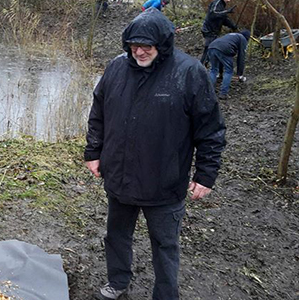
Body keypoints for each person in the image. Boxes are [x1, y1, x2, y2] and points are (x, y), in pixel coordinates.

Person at [84, 8, 226, 300]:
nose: (139, 52)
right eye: (134, 46)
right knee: (117, 236)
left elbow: (210, 129)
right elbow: (98, 113)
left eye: (146, 46)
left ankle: (165, 295)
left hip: (165, 181)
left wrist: (206, 175)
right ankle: (118, 281)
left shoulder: (189, 73)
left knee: (165, 244)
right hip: (120, 177)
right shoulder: (116, 68)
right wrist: (94, 152)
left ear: (162, 45)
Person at [208, 30, 250, 99]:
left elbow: (220, 59)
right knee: (229, 71)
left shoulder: (231, 35)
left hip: (211, 46)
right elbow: (241, 57)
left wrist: (220, 73)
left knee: (213, 70)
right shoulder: (243, 39)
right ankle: (223, 93)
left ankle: (209, 91)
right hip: (224, 48)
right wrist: (240, 74)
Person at [200, 0, 237, 65]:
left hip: (214, 31)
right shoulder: (217, 3)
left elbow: (224, 19)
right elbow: (213, 14)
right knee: (209, 49)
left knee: (211, 49)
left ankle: (204, 66)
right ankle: (200, 67)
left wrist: (232, 26)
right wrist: (226, 12)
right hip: (209, 30)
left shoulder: (222, 5)